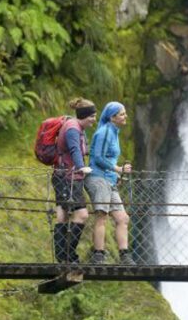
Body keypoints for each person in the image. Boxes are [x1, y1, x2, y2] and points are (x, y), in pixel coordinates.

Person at [87, 101, 134, 265]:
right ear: (112, 117)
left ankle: (125, 255)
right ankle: (98, 254)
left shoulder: (114, 132)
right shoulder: (105, 132)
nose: (125, 116)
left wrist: (118, 170)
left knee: (122, 218)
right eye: (122, 114)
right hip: (99, 179)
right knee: (102, 216)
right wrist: (118, 169)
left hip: (109, 180)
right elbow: (98, 158)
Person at [52, 98, 96, 264]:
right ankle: (69, 255)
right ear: (84, 115)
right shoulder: (72, 129)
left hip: (65, 176)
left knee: (62, 214)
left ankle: (63, 257)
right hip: (67, 177)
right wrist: (80, 166)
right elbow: (74, 149)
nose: (94, 119)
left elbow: (80, 149)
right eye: (92, 116)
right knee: (81, 214)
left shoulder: (78, 128)